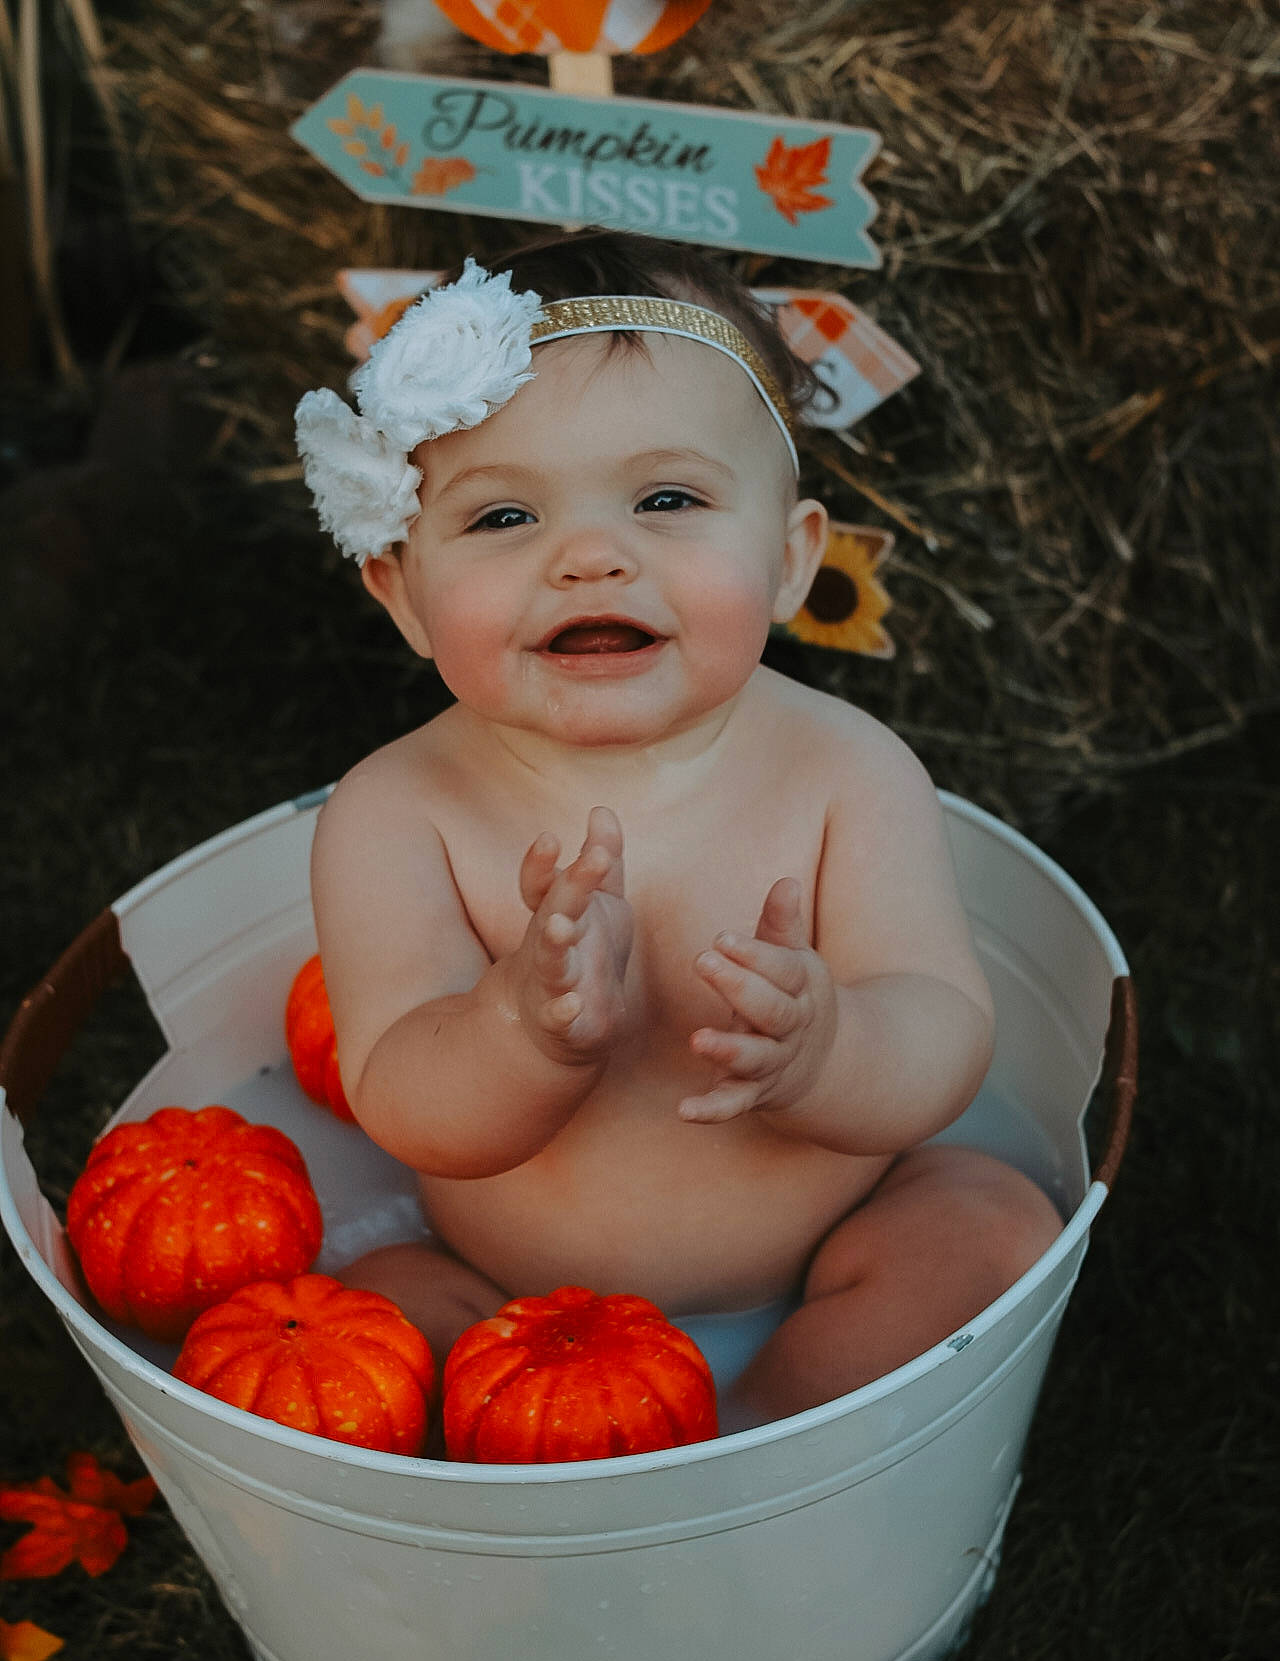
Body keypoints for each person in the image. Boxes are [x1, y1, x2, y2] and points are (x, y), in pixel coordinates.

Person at [294, 230, 1061, 1427]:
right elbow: (402, 1100)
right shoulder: (396, 813)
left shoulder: (845, 771)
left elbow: (943, 1029)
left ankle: (770, 1425)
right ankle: (585, 1469)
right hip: (508, 1299)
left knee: (988, 1227)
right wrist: (517, 1032)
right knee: (372, 1309)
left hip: (830, 1244)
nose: (591, 557)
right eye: (502, 517)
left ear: (791, 559)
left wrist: (827, 1051)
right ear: (400, 589)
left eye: (666, 499)